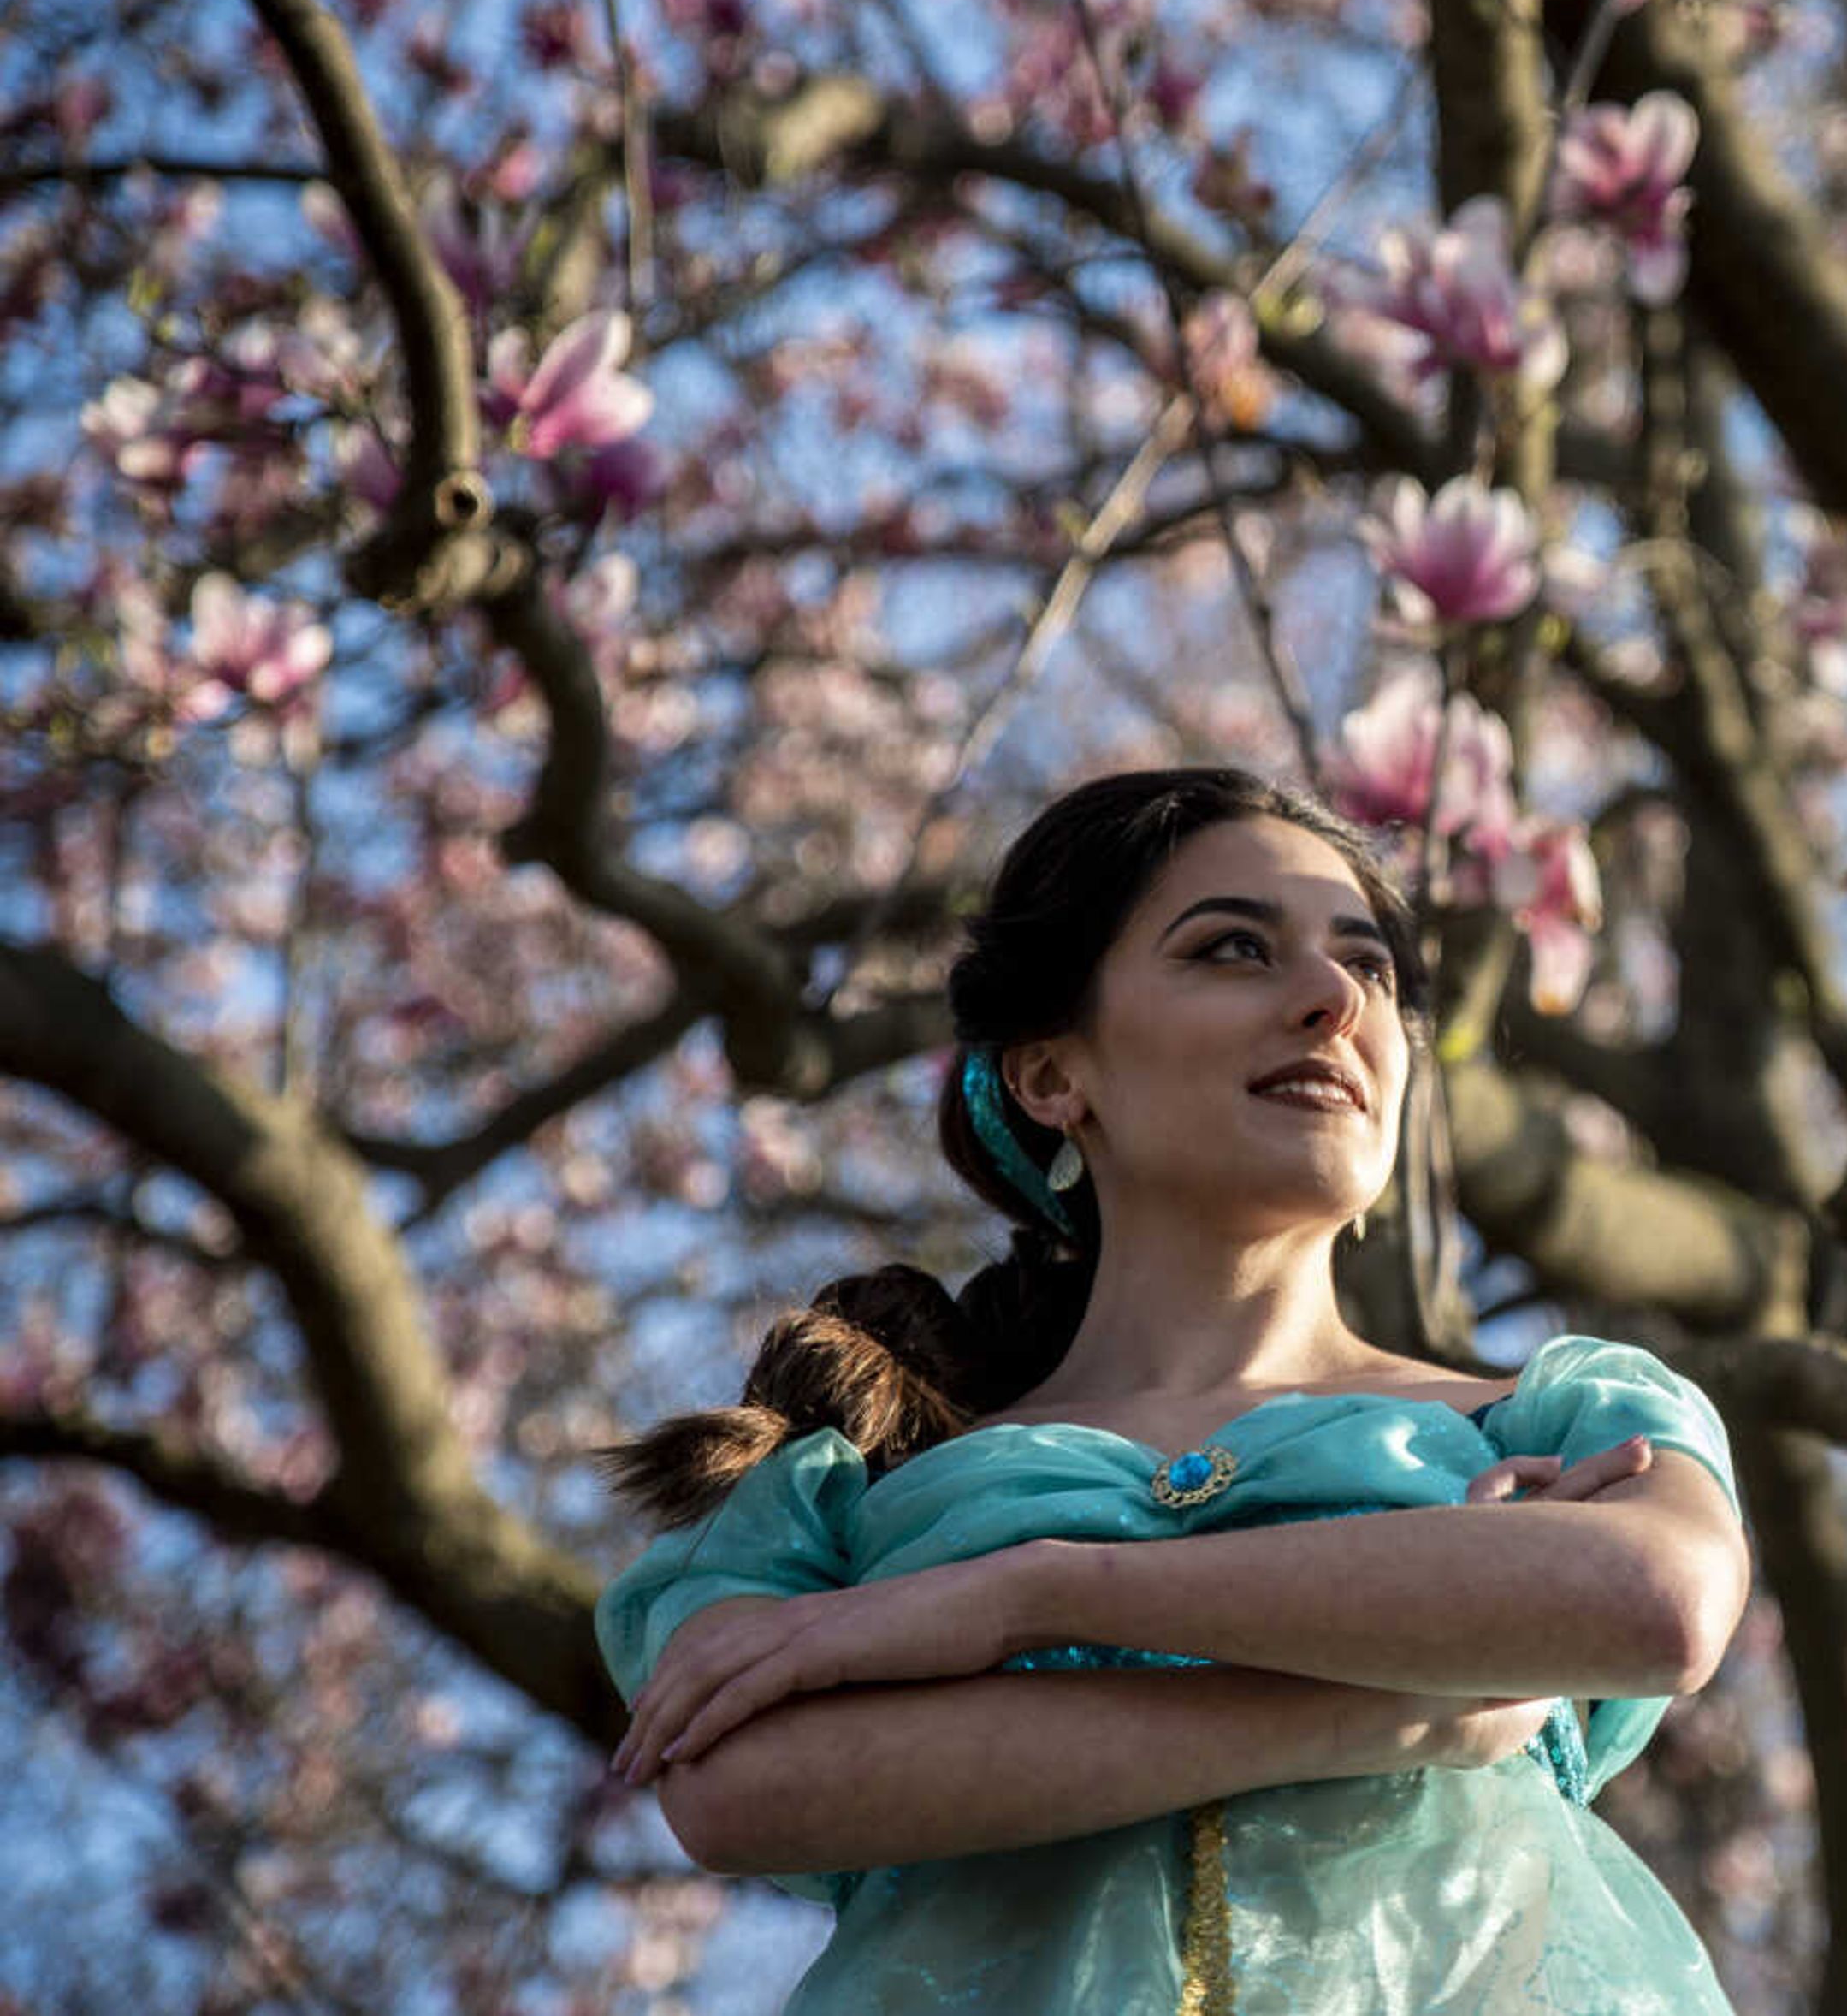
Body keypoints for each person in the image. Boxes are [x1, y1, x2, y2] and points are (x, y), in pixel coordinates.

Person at [593, 768, 1754, 2013]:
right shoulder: (847, 1477)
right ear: (1050, 1075)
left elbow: (1660, 1602)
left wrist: (1028, 1596)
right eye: (1235, 948)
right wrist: (1379, 1710)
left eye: (1371, 970)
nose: (1333, 1001)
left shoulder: (1560, 1413)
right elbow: (737, 1785)